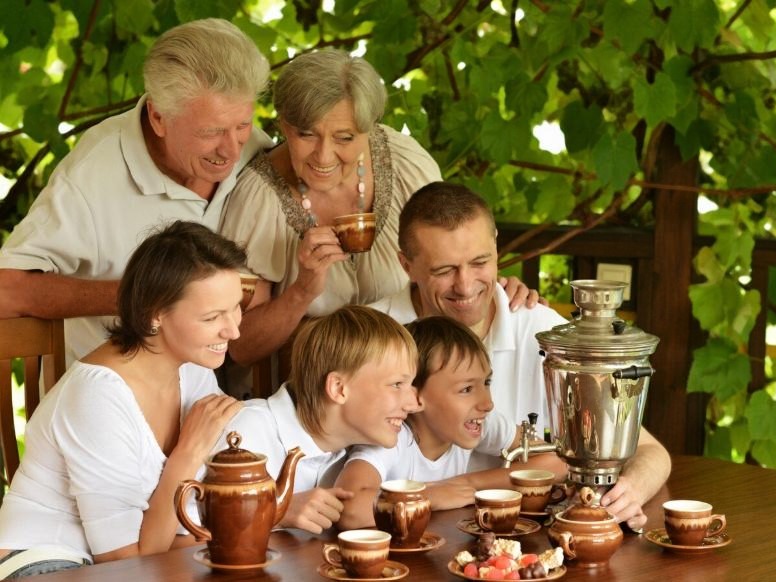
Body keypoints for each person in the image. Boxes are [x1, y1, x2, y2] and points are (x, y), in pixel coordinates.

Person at [370, 181, 671, 528]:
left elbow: (648, 451)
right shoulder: (371, 336)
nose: (465, 286)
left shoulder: (545, 331)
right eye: (444, 270)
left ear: (496, 246)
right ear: (406, 265)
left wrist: (629, 492)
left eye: (480, 262)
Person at [219, 48, 538, 375]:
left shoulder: (404, 164)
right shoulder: (257, 200)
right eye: (306, 134)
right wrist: (303, 291)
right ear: (284, 126)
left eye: (345, 137)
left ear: (370, 128)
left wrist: (496, 293)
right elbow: (242, 348)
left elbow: (453, 259)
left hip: (413, 377)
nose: (324, 156)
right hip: (308, 384)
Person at [0, 18, 272, 368]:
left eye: (242, 125)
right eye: (211, 132)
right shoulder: (92, 173)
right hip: (107, 389)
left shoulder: (255, 149)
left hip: (213, 388)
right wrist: (145, 294)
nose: (232, 151)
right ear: (158, 117)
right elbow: (7, 289)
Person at [0, 221, 246, 577]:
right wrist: (188, 453)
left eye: (236, 307)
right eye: (212, 317)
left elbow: (192, 518)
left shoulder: (193, 366)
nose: (233, 330)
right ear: (154, 314)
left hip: (131, 560)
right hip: (45, 560)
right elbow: (125, 562)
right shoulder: (97, 397)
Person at [335, 315, 567, 529]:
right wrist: (431, 495)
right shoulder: (390, 437)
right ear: (415, 396)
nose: (487, 403)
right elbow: (349, 509)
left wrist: (468, 483)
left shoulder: (479, 422)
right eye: (466, 389)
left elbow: (557, 463)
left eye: (486, 383)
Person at [215, 304, 421, 534]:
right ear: (338, 388)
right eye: (397, 384)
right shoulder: (247, 431)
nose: (413, 405)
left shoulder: (358, 445)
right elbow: (188, 532)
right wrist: (276, 511)